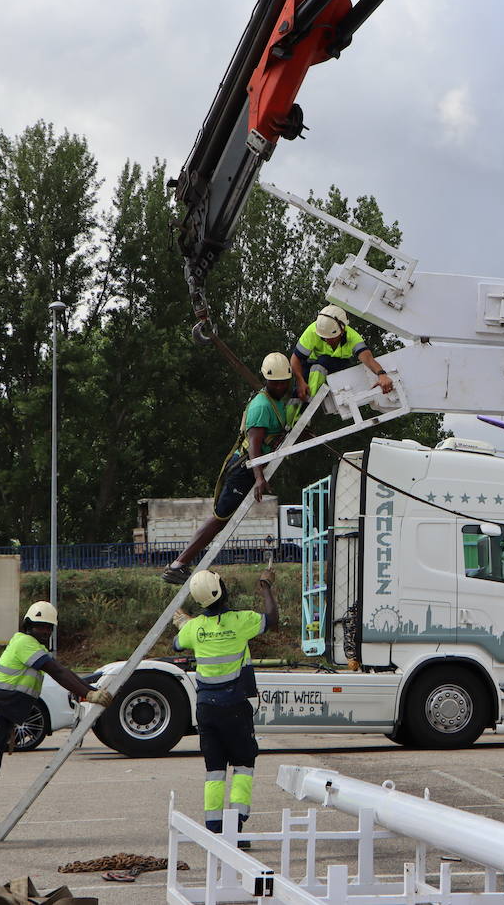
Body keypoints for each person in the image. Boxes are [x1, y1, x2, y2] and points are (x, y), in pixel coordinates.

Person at [0, 601, 113, 851]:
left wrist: (89, 690)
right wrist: (87, 695)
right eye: (39, 627)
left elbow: (63, 671)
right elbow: (57, 671)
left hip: (0, 717)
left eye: (48, 628)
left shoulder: (31, 646)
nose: (44, 632)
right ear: (28, 626)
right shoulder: (24, 643)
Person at [162, 353, 298, 584]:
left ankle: (180, 564)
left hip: (252, 468)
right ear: (266, 380)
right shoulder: (261, 405)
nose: (280, 386)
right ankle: (178, 565)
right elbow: (254, 446)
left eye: (284, 382)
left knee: (221, 519)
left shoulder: (278, 401)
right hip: (244, 469)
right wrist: (258, 478)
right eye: (275, 382)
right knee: (219, 518)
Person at [172, 567, 279, 844]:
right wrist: (266, 587)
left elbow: (177, 644)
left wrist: (186, 623)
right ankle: (235, 827)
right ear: (222, 590)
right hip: (234, 705)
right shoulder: (241, 621)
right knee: (243, 764)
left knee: (214, 769)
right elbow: (272, 619)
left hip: (206, 708)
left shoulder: (195, 628)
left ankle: (214, 827)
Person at [290, 304, 394, 407]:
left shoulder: (352, 337)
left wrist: (381, 374)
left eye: (330, 337)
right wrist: (300, 381)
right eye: (323, 337)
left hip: (338, 366)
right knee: (298, 391)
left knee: (323, 362)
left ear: (342, 330)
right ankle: (292, 419)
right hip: (312, 366)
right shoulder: (313, 331)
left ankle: (311, 402)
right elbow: (295, 359)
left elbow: (367, 358)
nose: (326, 340)